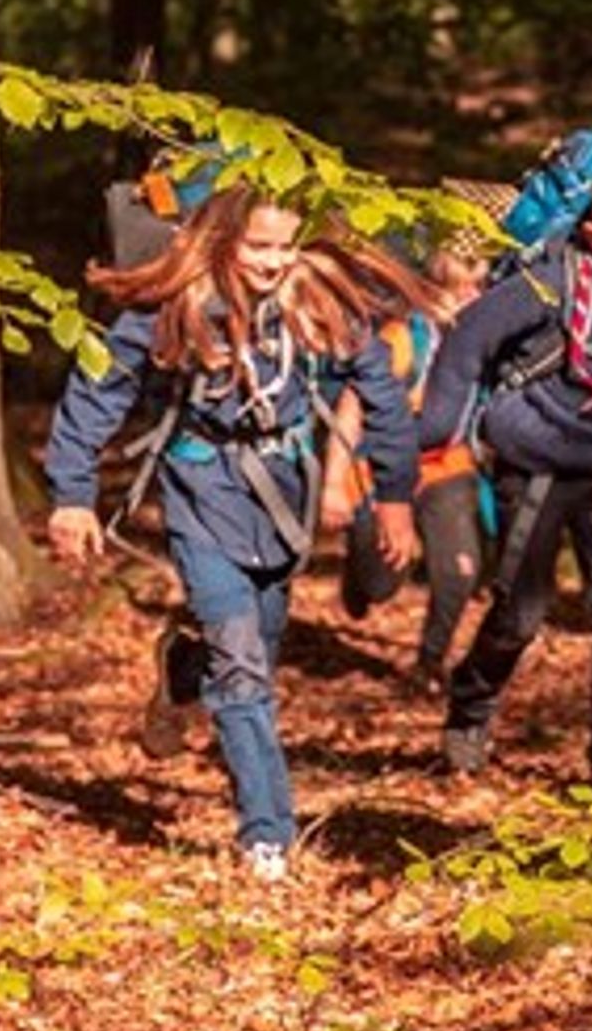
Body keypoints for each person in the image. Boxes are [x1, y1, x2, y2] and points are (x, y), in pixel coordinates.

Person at [43, 187, 427, 882]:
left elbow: (383, 396)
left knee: (254, 651)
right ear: (223, 241)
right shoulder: (175, 304)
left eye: (286, 247)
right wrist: (72, 496)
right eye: (258, 247)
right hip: (202, 492)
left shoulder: (320, 304)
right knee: (243, 664)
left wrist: (395, 494)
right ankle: (268, 835)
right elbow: (99, 389)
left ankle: (183, 667)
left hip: (283, 494)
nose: (273, 262)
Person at [417, 163, 592, 802]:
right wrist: (436, 429)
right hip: (534, 464)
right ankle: (469, 708)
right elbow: (468, 342)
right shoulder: (546, 286)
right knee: (521, 613)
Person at [320, 241, 493, 688]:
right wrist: (334, 482)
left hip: (447, 465)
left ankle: (429, 664)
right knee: (383, 584)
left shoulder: (485, 340)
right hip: (381, 469)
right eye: (457, 289)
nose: (469, 299)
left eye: (477, 288)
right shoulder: (401, 339)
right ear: (429, 290)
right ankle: (360, 576)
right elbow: (351, 411)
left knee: (459, 571)